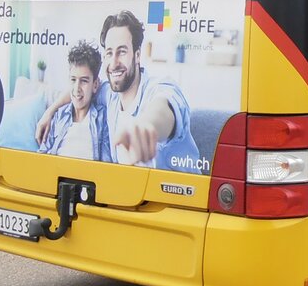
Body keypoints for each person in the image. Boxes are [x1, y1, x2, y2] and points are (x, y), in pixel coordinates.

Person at [36, 10, 201, 172]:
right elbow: (79, 90)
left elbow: (163, 108)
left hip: (175, 196)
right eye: (109, 53)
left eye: (122, 52)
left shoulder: (159, 88)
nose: (114, 63)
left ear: (137, 55)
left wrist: (145, 126)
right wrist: (49, 112)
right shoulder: (110, 95)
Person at [39, 41, 109, 161]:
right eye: (73, 80)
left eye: (84, 81)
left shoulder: (102, 118)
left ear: (95, 84)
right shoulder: (59, 116)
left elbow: (107, 162)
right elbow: (43, 154)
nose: (77, 88)